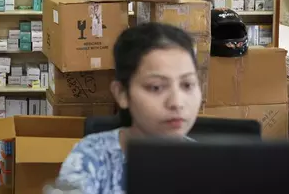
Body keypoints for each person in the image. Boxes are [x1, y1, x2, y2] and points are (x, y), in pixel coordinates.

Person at [55, 22, 203, 194]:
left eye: (187, 85)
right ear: (122, 94)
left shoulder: (208, 164)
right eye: (156, 87)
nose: (177, 102)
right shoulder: (90, 159)